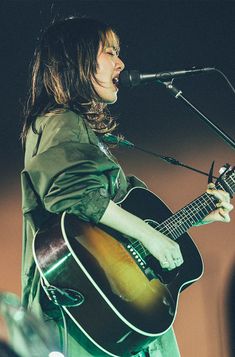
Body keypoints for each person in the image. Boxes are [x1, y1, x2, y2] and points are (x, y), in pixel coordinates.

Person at [21, 16, 233, 357]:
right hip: (89, 314)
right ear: (76, 59)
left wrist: (197, 215)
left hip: (98, 314)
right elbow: (74, 196)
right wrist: (151, 237)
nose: (121, 63)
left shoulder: (63, 127)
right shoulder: (62, 122)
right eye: (109, 52)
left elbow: (109, 230)